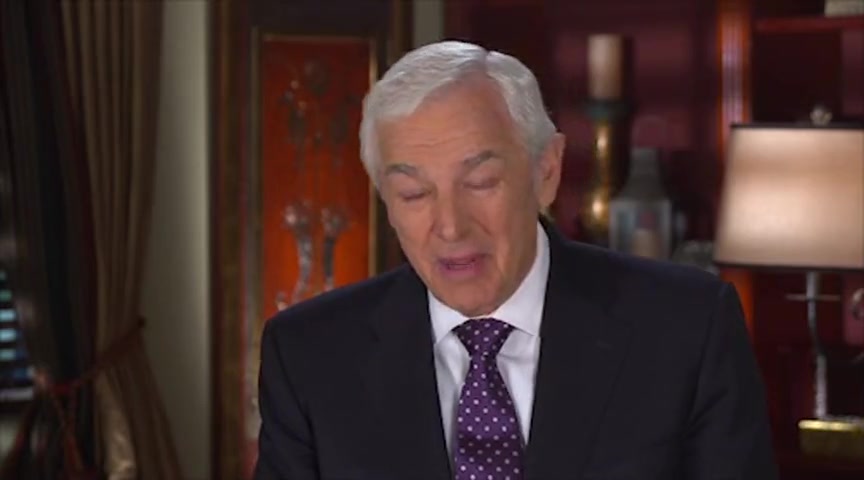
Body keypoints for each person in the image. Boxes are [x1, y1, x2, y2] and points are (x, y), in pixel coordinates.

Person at [253, 40, 777, 480]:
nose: (450, 226)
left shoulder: (686, 329)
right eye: (414, 194)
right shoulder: (310, 355)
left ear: (546, 171)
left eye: (481, 182)